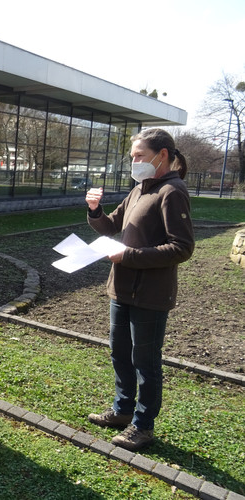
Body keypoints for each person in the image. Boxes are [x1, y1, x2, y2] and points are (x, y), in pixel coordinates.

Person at [85, 128, 194, 451]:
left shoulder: (172, 192)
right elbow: (112, 226)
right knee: (120, 353)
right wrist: (95, 210)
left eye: (139, 156)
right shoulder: (138, 190)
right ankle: (122, 410)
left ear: (162, 155)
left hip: (150, 295)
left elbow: (182, 247)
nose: (134, 162)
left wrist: (129, 256)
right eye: (132, 156)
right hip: (121, 289)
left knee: (145, 362)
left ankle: (143, 426)